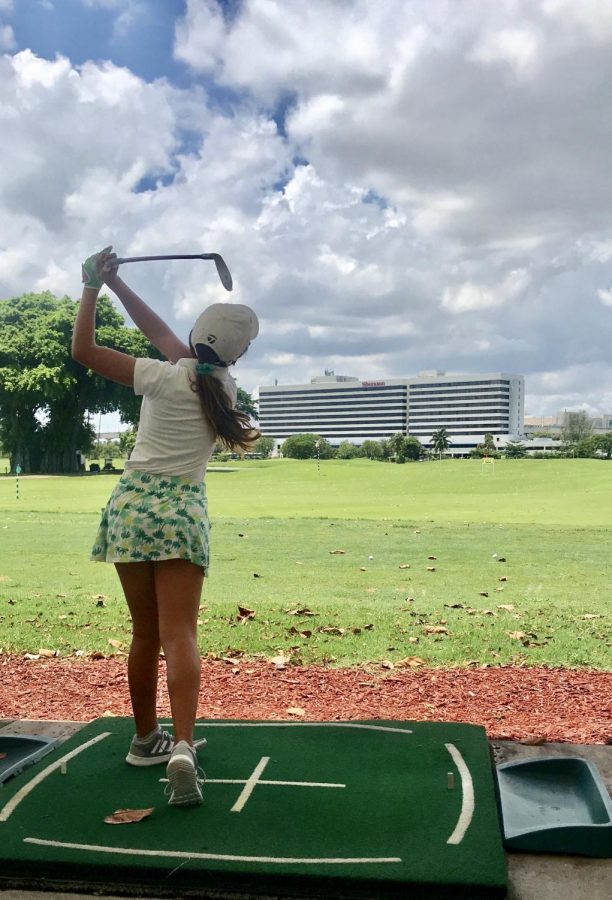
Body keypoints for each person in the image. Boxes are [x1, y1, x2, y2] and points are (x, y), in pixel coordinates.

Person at [72, 247, 259, 806]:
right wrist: (120, 286)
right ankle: (180, 746)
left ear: (196, 334)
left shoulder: (159, 375)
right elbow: (165, 338)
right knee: (181, 634)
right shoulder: (221, 389)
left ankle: (143, 739)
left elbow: (84, 349)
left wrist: (93, 287)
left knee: (144, 633)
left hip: (130, 507)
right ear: (236, 354)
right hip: (181, 514)